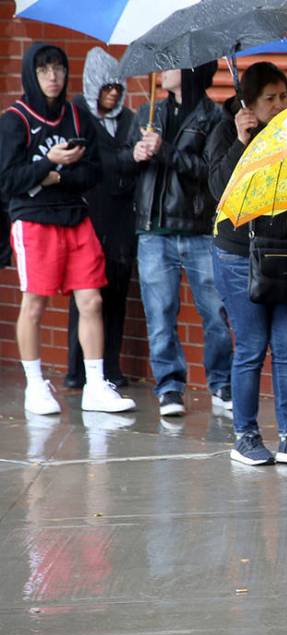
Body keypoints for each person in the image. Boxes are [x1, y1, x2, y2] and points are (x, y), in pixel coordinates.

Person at [0, 42, 136, 415]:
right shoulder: (15, 119)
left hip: (76, 216)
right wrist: (49, 162)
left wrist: (56, 175)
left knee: (92, 300)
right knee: (35, 303)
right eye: (44, 70)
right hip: (33, 220)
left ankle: (95, 385)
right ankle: (34, 385)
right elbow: (8, 180)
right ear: (32, 73)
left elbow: (94, 171)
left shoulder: (77, 117)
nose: (53, 76)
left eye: (58, 68)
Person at [206, 62, 287, 467]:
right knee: (252, 347)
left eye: (283, 95)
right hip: (240, 254)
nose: (280, 103)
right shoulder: (225, 130)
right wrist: (242, 140)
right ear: (248, 103)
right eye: (270, 98)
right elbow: (219, 190)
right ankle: (246, 436)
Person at [122, 63, 233, 418]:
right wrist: (135, 155)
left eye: (170, 66)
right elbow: (124, 164)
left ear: (190, 71)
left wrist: (166, 150)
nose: (162, 71)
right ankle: (169, 387)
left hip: (198, 228)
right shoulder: (147, 111)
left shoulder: (214, 118)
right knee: (160, 313)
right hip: (153, 231)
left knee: (214, 312)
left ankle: (221, 383)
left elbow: (210, 171)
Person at [65, 47, 138, 389]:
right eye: (106, 87)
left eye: (117, 88)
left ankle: (111, 365)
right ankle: (77, 370)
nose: (112, 94)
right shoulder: (77, 113)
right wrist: (128, 158)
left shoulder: (129, 120)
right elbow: (88, 162)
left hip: (122, 218)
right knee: (86, 297)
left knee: (118, 294)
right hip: (90, 217)